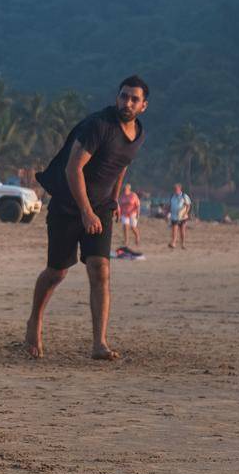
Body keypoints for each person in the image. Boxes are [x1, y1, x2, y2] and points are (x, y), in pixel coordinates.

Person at [25, 76, 150, 361]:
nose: (127, 102)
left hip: (101, 208)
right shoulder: (97, 126)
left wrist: (114, 199)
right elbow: (73, 168)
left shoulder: (139, 134)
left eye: (134, 99)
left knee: (100, 269)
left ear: (144, 106)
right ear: (117, 97)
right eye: (123, 96)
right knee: (57, 272)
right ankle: (34, 321)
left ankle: (99, 344)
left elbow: (121, 165)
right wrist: (85, 211)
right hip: (69, 206)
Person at [168, 184, 192, 248]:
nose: (175, 190)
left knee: (182, 231)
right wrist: (167, 213)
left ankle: (183, 244)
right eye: (174, 189)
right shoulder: (172, 196)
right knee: (174, 230)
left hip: (183, 217)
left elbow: (188, 205)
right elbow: (170, 205)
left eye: (176, 189)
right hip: (174, 216)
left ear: (180, 189)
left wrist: (185, 213)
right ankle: (173, 243)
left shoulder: (184, 196)